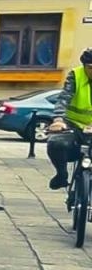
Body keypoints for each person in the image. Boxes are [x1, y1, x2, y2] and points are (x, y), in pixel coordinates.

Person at [44, 48, 92, 190]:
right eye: (90, 68)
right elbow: (64, 98)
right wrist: (58, 120)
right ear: (84, 66)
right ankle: (61, 175)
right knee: (55, 143)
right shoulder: (76, 76)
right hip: (73, 124)